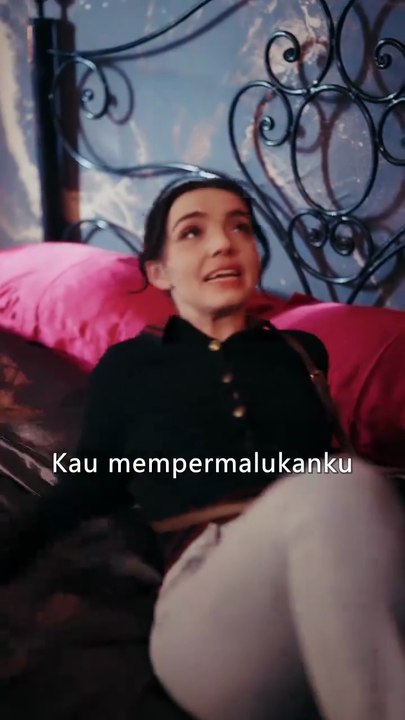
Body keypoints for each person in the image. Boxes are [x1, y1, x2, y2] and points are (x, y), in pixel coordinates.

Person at [1, 176, 405, 719]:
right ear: (158, 272)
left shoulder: (302, 354)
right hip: (206, 617)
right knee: (340, 484)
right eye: (193, 232)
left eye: (240, 228)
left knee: (349, 490)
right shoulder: (131, 366)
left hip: (321, 578)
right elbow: (86, 486)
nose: (222, 244)